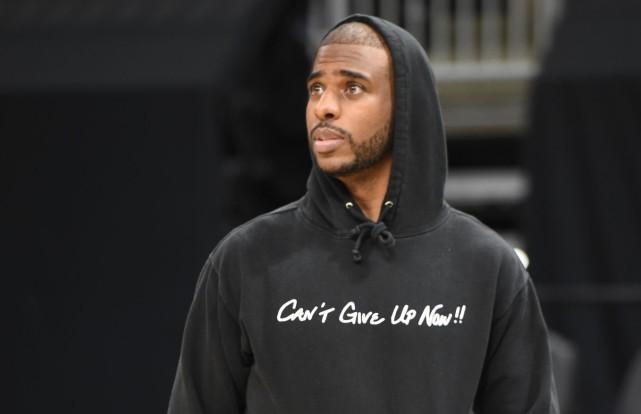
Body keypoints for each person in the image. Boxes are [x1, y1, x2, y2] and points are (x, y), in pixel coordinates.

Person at [168, 14, 558, 414]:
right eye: (316, 88)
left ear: (405, 107)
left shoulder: (487, 265)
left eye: (352, 88)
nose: (324, 107)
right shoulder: (245, 259)